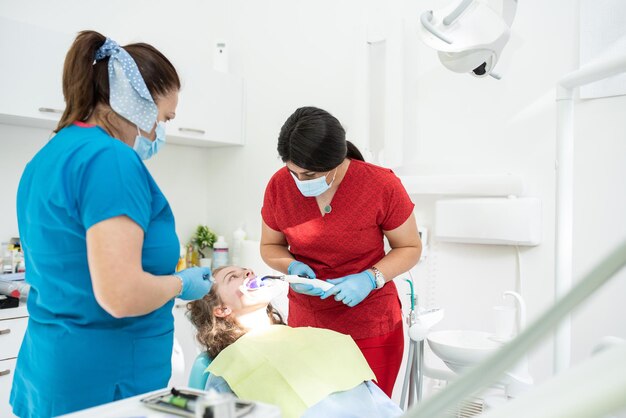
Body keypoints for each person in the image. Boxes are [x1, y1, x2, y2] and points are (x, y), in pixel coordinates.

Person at [10, 31, 212, 418]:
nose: (158, 132)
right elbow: (120, 295)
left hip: (52, 370)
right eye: (164, 117)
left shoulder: (49, 156)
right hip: (106, 381)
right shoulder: (111, 160)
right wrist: (181, 284)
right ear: (135, 98)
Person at [260, 106, 422, 397]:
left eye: (309, 173)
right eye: (292, 171)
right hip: (307, 323)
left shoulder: (381, 185)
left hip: (370, 325)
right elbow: (270, 246)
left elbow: (409, 247)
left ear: (336, 161)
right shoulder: (279, 186)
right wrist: (290, 266)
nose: (300, 181)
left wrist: (370, 278)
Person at [187, 266, 403, 418]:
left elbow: (376, 403)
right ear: (222, 309)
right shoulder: (228, 368)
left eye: (245, 270)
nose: (247, 272)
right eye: (232, 277)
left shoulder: (310, 336)